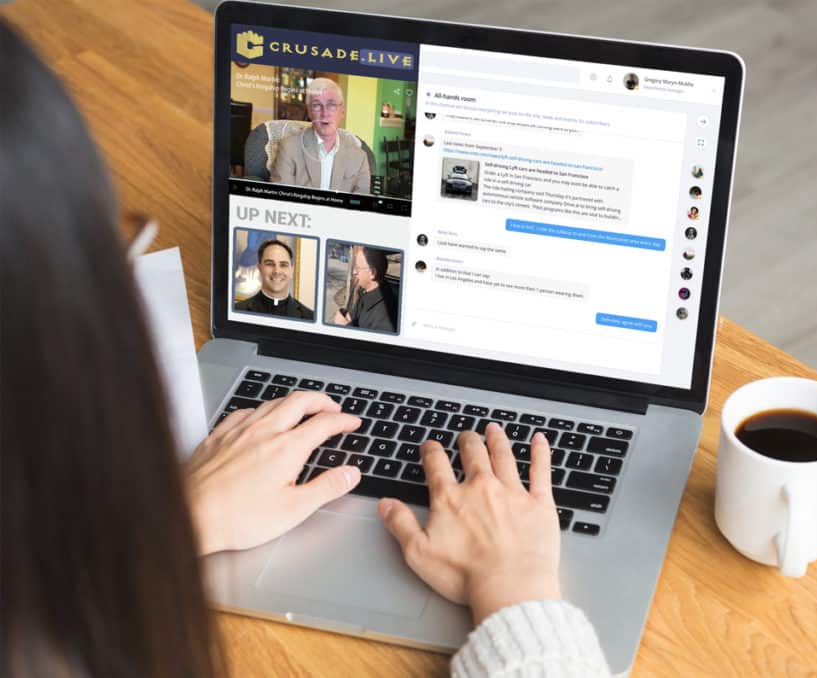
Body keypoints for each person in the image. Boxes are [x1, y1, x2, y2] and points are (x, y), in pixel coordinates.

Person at [1, 21, 610, 677]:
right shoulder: (289, 153)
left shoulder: (357, 160)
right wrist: (518, 590)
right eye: (105, 247)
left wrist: (178, 524)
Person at [270, 77, 371, 194]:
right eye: (317, 105)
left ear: (342, 111)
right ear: (309, 111)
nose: (325, 113)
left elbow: (362, 204)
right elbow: (282, 198)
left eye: (331, 105)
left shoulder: (360, 157)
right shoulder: (288, 147)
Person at [234, 239, 314, 320]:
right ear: (259, 268)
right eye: (269, 264)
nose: (277, 271)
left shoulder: (310, 317)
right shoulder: (237, 311)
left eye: (283, 265)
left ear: (291, 271)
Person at [333, 246, 399, 332]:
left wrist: (346, 327)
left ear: (372, 273)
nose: (354, 272)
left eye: (357, 268)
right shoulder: (365, 292)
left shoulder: (385, 319)